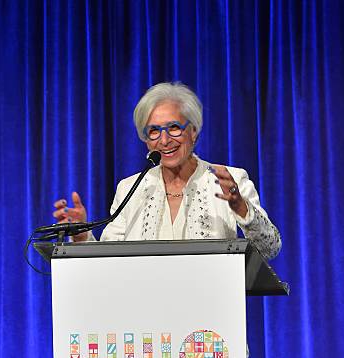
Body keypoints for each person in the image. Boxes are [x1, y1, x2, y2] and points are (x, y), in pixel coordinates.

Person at [52, 82, 281, 260]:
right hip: (142, 316)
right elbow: (109, 263)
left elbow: (270, 248)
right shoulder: (130, 189)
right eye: (153, 131)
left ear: (193, 131)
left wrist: (241, 207)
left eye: (173, 128)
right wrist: (82, 235)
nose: (164, 140)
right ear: (146, 140)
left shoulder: (231, 181)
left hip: (209, 316)